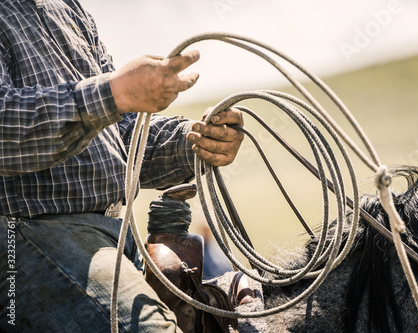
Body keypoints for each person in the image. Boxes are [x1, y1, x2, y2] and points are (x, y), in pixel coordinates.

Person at [0, 0, 244, 332]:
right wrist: (113, 93)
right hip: (25, 235)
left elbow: (120, 135)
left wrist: (195, 140)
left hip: (112, 235)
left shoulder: (67, 6)